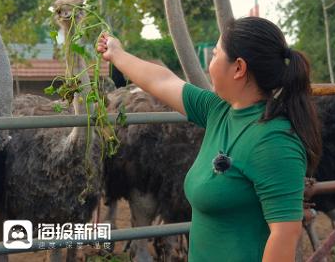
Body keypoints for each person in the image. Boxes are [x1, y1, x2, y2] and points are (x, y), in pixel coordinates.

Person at [97, 16, 321, 262]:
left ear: (238, 68)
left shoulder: (274, 141)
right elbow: (162, 80)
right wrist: (116, 54)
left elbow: (285, 235)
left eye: (214, 55)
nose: (211, 63)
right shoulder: (219, 112)